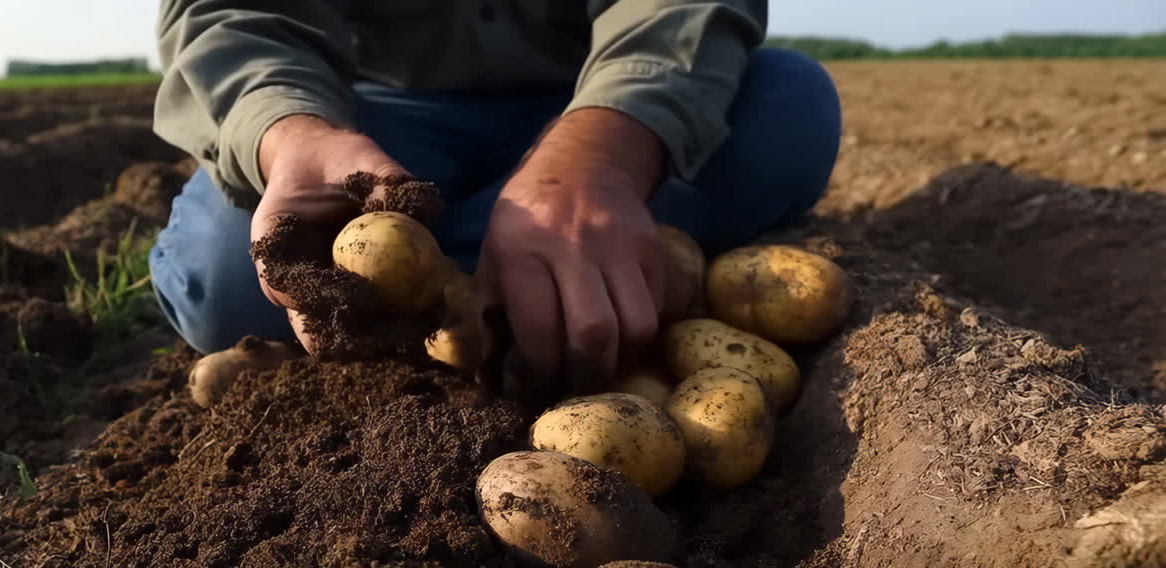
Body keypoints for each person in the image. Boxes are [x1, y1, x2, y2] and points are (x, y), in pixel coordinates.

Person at [148, 1, 840, 390]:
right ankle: (529, 267)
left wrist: (605, 151)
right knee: (230, 280)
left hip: (594, 100)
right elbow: (234, 13)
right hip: (377, 121)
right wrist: (291, 132)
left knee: (790, 109)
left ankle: (479, 269)